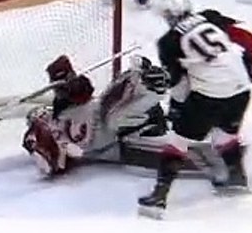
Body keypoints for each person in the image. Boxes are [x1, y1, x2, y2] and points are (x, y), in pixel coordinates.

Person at [138, 0, 252, 217]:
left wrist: (177, 109)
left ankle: (158, 197)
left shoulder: (168, 42)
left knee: (178, 141)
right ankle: (237, 178)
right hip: (241, 89)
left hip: (210, 95)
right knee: (225, 134)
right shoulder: (211, 17)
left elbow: (178, 83)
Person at [21, 54, 173, 178]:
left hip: (124, 114)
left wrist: (68, 80)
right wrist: (37, 148)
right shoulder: (61, 147)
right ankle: (154, 90)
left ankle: (144, 77)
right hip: (123, 137)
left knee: (111, 98)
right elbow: (52, 165)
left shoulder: (61, 110)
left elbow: (83, 93)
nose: (40, 116)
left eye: (40, 114)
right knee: (114, 119)